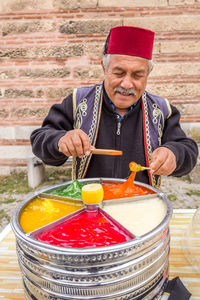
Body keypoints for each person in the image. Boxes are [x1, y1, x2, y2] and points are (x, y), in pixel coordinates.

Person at [30, 26, 198, 188]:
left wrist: (174, 154)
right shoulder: (78, 101)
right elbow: (41, 138)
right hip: (91, 204)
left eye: (138, 75)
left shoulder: (162, 110)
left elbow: (187, 149)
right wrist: (60, 140)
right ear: (104, 67)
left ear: (148, 74)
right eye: (118, 73)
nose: (126, 84)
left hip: (141, 205)